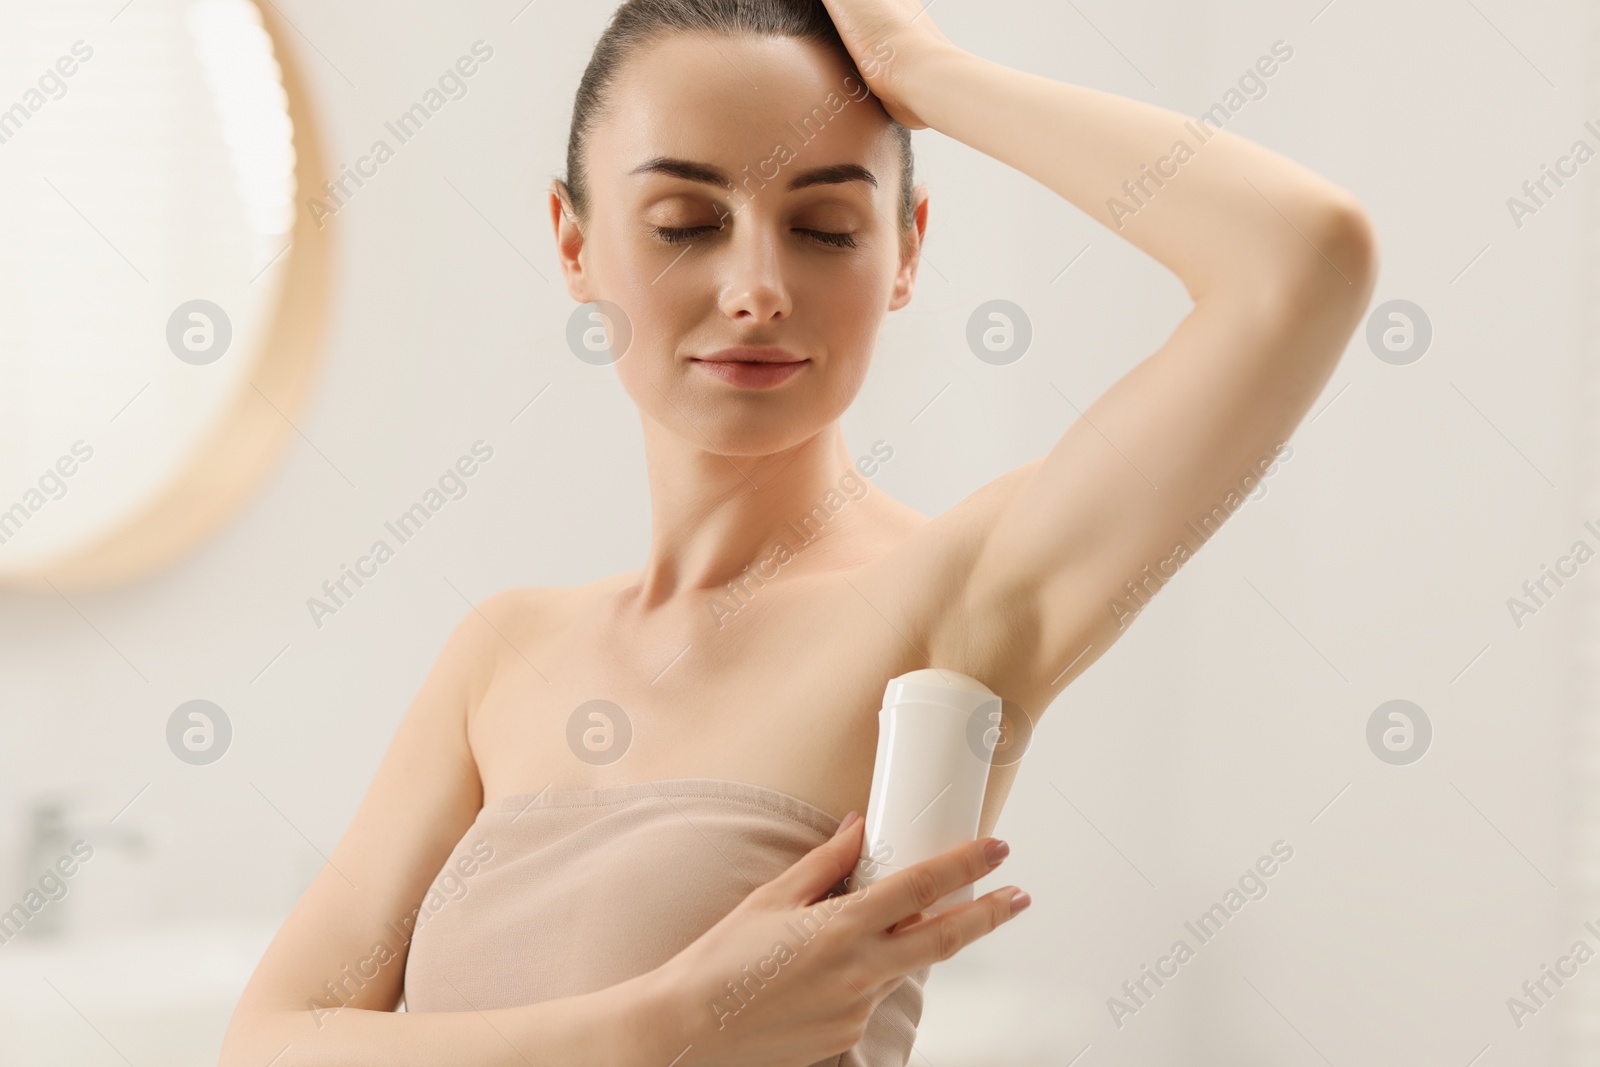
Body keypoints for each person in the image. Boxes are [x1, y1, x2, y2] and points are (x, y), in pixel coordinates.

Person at [220, 0, 1377, 1063]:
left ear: (906, 251)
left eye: (825, 226)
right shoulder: (501, 654)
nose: (757, 285)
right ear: (573, 245)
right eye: (685, 221)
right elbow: (266, 1044)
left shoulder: (954, 599)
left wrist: (928, 71)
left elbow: (1299, 257)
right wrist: (661, 1027)